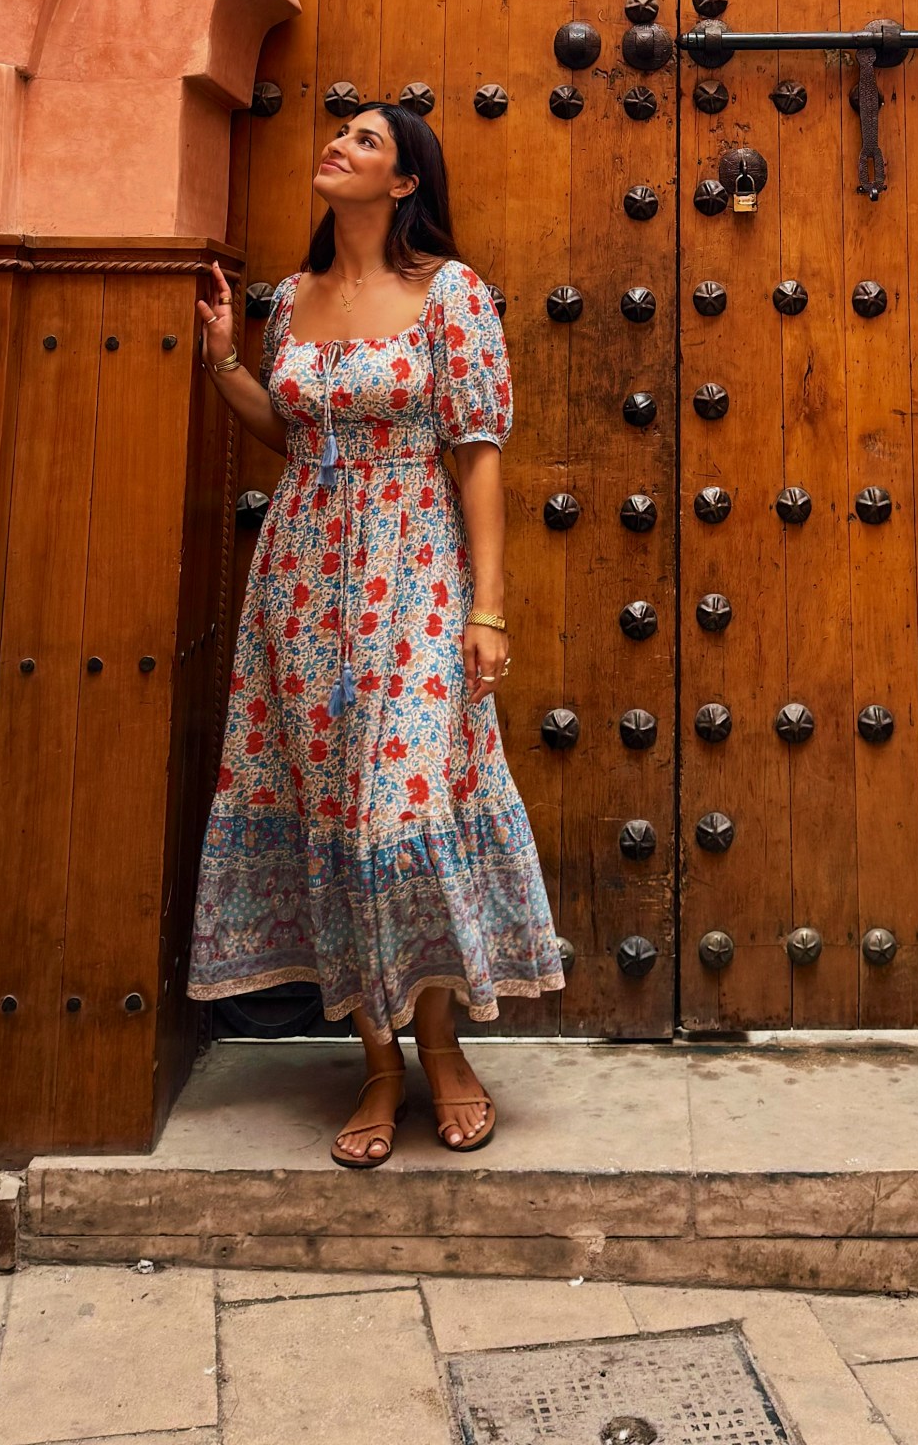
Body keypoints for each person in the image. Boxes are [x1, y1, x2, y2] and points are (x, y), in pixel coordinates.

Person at [188, 100, 563, 1166]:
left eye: (366, 141)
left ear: (404, 184)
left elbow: (478, 450)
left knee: (399, 808)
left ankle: (441, 1046)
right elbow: (288, 432)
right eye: (339, 132)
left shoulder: (452, 294)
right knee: (331, 811)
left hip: (415, 571)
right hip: (301, 580)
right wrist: (226, 362)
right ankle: (378, 1056)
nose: (338, 145)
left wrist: (487, 607)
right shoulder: (294, 298)